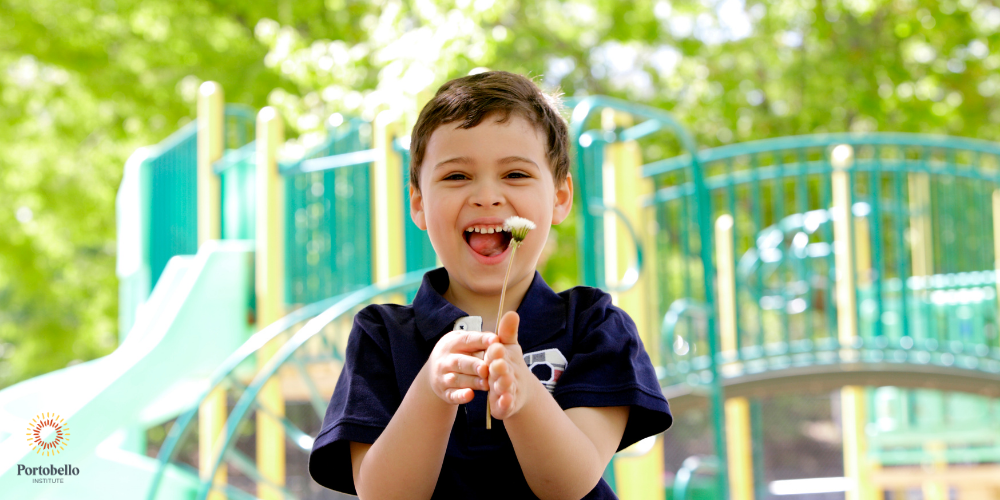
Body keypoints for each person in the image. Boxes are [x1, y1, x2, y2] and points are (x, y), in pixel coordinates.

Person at [309, 70, 672, 499]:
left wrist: (525, 397)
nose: (487, 195)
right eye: (456, 176)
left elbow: (570, 483)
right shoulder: (381, 336)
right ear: (418, 203)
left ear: (559, 198)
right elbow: (383, 494)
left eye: (515, 174)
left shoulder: (596, 326)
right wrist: (431, 390)